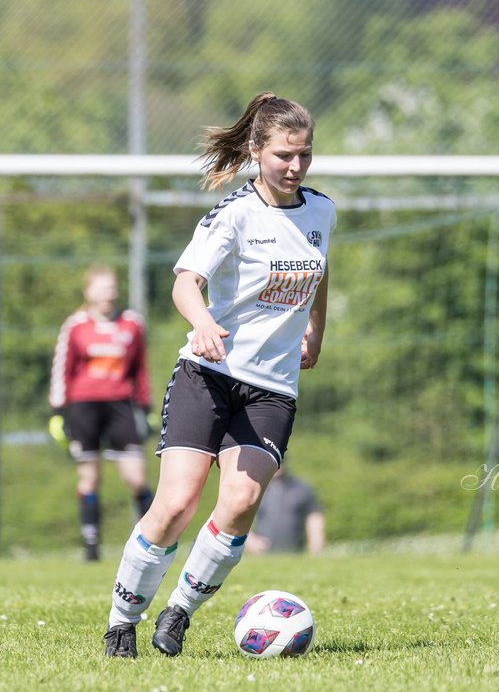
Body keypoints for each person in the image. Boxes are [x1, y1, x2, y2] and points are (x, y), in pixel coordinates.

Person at [102, 92, 335, 659]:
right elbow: (185, 282)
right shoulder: (233, 214)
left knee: (238, 501)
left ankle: (178, 612)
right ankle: (122, 622)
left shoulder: (322, 210)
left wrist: (316, 331)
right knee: (178, 504)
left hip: (273, 388)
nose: (295, 166)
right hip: (208, 374)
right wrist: (202, 322)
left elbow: (320, 271)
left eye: (304, 155)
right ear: (257, 150)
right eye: (284, 154)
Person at [49, 264, 153, 563]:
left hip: (121, 407)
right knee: (89, 478)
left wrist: (145, 408)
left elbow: (140, 371)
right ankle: (91, 546)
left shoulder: (132, 324)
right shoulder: (76, 325)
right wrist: (58, 411)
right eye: (101, 287)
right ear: (88, 291)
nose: (108, 292)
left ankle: (154, 542)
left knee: (136, 479)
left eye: (112, 287)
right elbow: (63, 369)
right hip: (83, 407)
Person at [248, 463, 325, 556]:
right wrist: (249, 539)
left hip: (295, 553)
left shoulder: (300, 487)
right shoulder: (254, 487)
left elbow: (314, 518)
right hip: (261, 554)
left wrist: (316, 549)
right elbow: (236, 515)